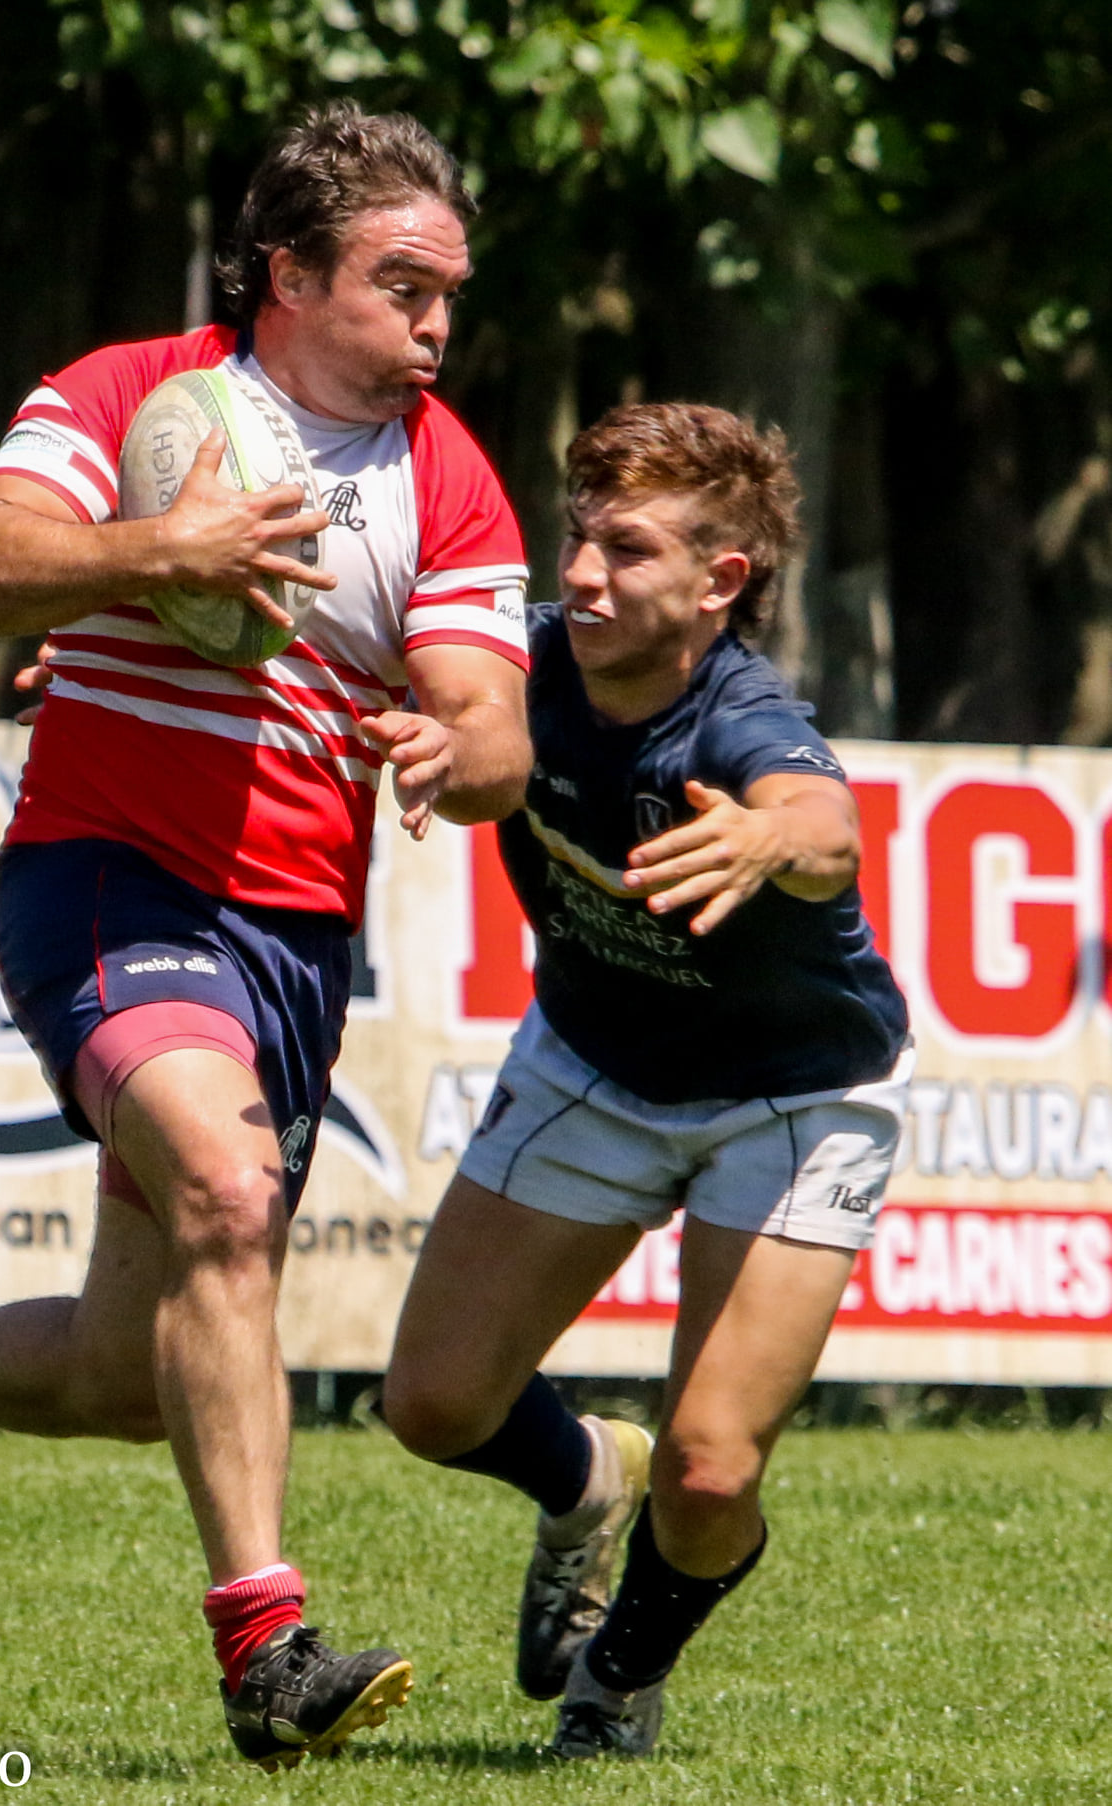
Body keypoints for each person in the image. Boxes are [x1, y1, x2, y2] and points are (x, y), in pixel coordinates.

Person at [0, 103, 531, 1770]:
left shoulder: (444, 471)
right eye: (403, 287)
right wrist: (169, 550)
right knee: (231, 1195)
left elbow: (498, 723)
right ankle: (268, 1652)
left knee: (111, 1364)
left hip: (296, 931)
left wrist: (466, 749)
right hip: (106, 881)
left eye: (452, 292)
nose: (439, 326)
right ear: (289, 273)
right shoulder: (127, 394)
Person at [381, 401, 910, 1760]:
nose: (581, 573)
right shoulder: (521, 664)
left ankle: (615, 1672)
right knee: (432, 1403)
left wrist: (767, 844)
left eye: (626, 548)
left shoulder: (742, 718)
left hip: (793, 1099)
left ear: (718, 580)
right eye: (577, 537)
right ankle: (581, 1478)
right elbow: (331, 661)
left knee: (714, 1467)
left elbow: (823, 821)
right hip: (596, 1058)